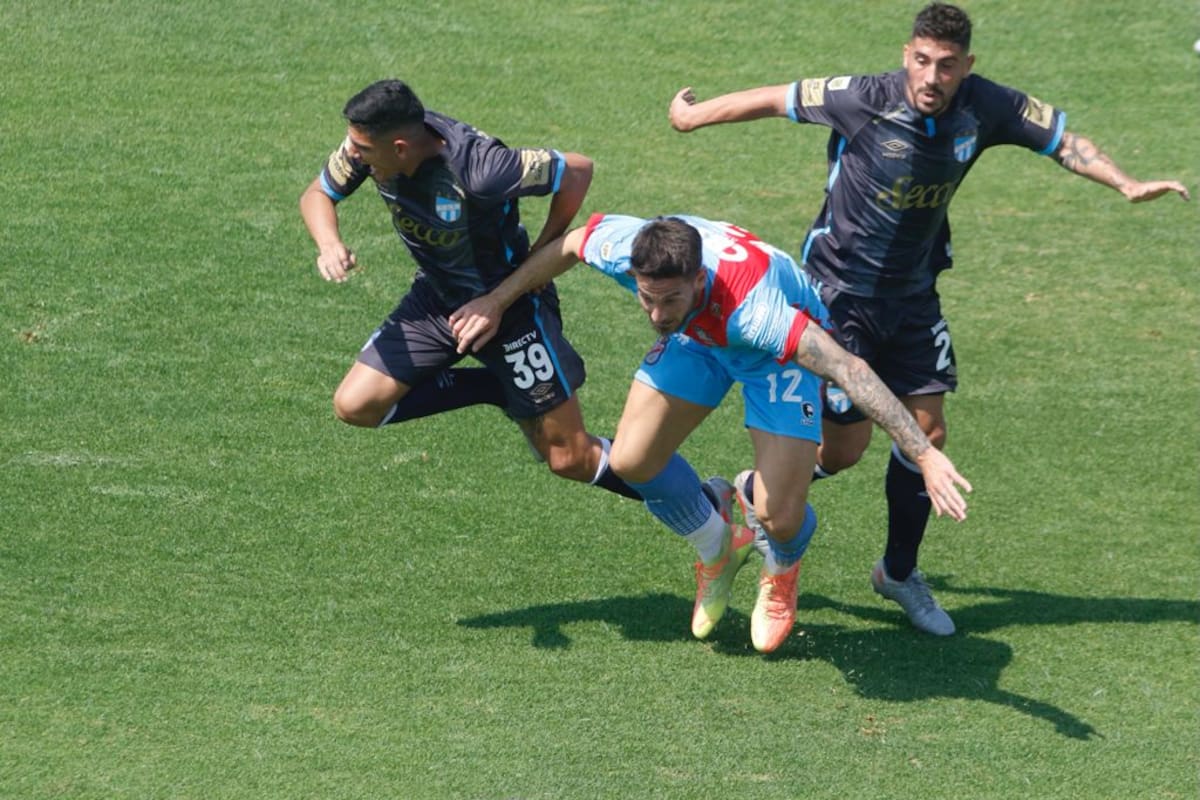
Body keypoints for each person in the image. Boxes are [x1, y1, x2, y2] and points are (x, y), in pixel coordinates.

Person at [668, 2, 1191, 635]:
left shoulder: (987, 106)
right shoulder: (863, 97)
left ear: (966, 67)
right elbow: (774, 98)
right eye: (921, 60)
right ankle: (749, 495)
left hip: (915, 299)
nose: (931, 77)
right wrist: (694, 115)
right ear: (906, 56)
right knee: (845, 450)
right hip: (837, 299)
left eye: (946, 66)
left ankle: (897, 572)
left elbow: (1060, 141)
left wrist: (1126, 183)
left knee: (927, 433)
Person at [450, 213, 972, 653]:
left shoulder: (759, 314)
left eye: (668, 300)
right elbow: (568, 244)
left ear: (699, 279)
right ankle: (717, 546)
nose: (655, 314)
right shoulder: (630, 250)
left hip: (770, 360)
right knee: (632, 461)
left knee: (779, 515)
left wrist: (923, 454)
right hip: (700, 339)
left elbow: (849, 369)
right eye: (646, 298)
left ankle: (781, 566)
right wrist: (497, 301)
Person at [298, 79, 645, 505]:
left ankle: (706, 504)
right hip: (438, 298)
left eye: (362, 149)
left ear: (401, 147)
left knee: (568, 457)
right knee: (356, 404)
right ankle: (495, 388)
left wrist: (541, 256)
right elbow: (318, 194)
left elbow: (577, 170)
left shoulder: (482, 171)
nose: (351, 155)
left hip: (513, 306)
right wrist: (329, 242)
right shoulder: (370, 146)